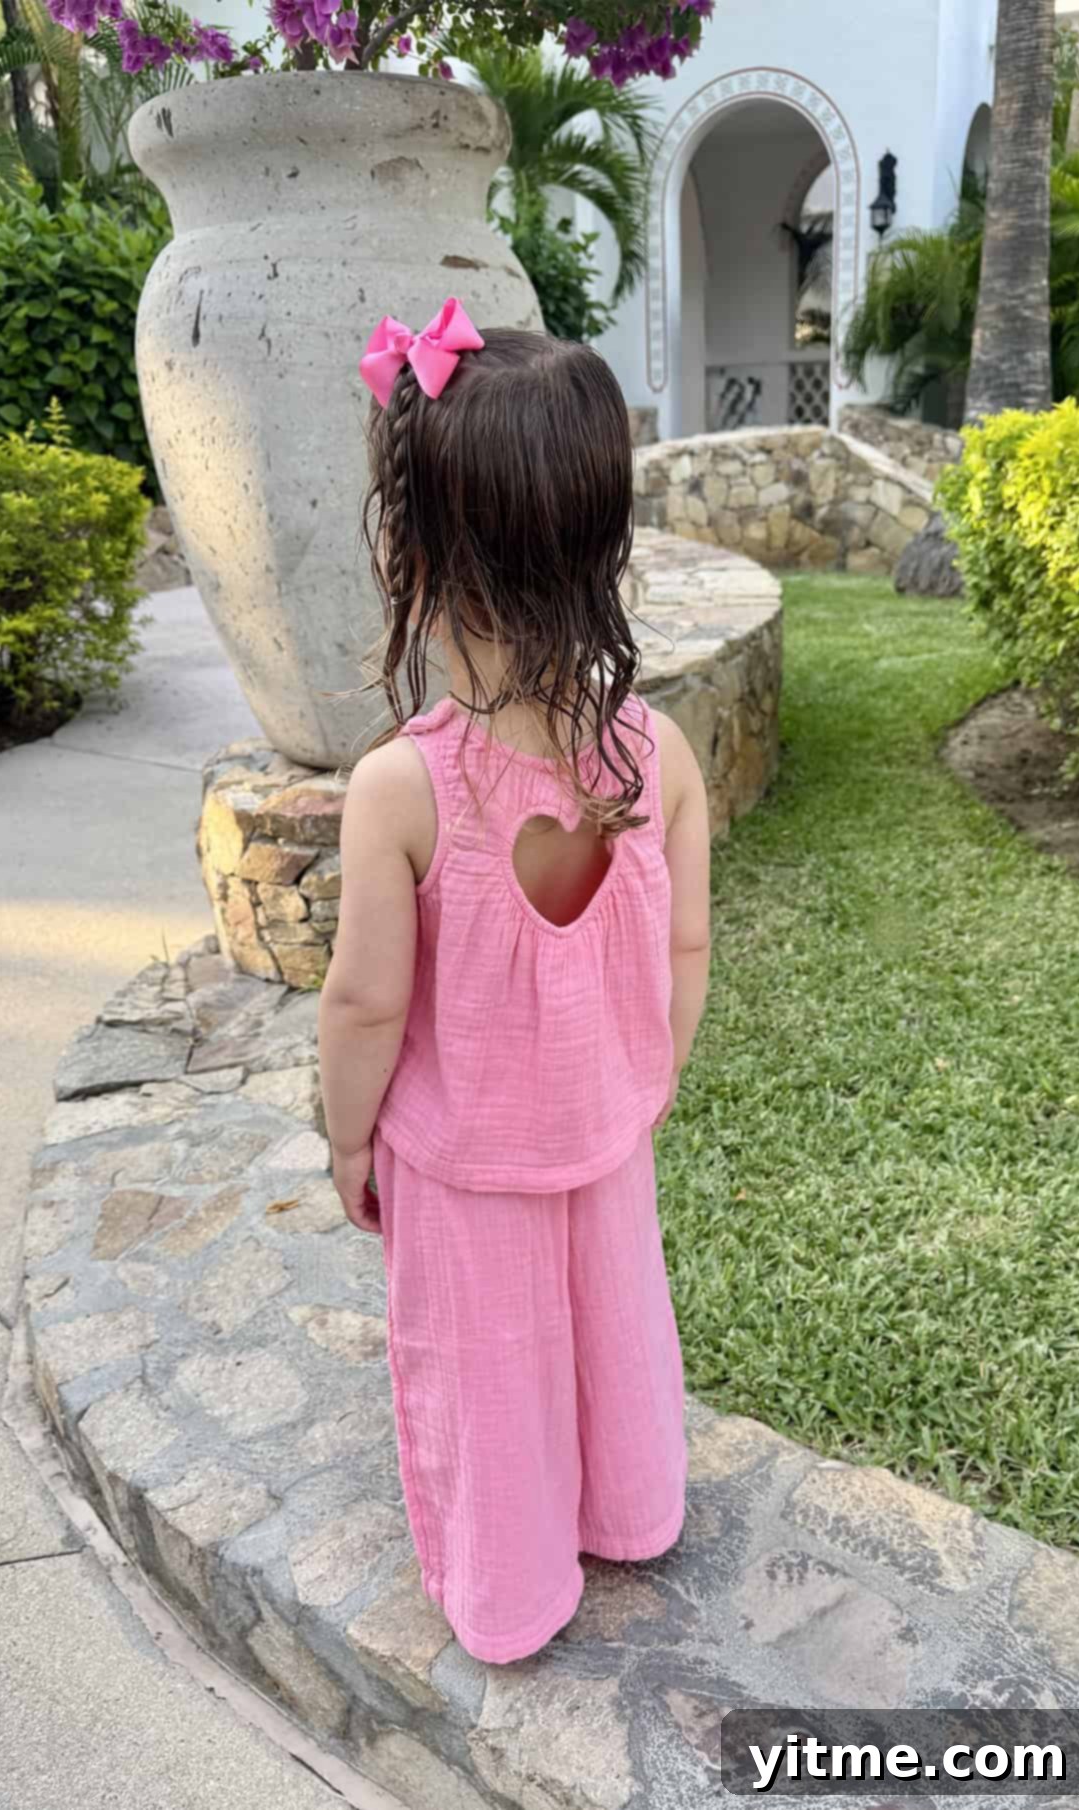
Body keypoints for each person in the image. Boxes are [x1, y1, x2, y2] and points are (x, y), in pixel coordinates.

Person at [317, 299, 711, 1665]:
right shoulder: (657, 757)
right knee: (613, 1329)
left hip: (465, 1163)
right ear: (599, 544)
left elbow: (365, 1005)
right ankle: (633, 1505)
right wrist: (636, 1081)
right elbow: (687, 949)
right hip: (605, 1138)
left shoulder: (400, 788)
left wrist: (351, 1138)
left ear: (417, 556)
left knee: (489, 1373)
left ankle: (506, 1591)